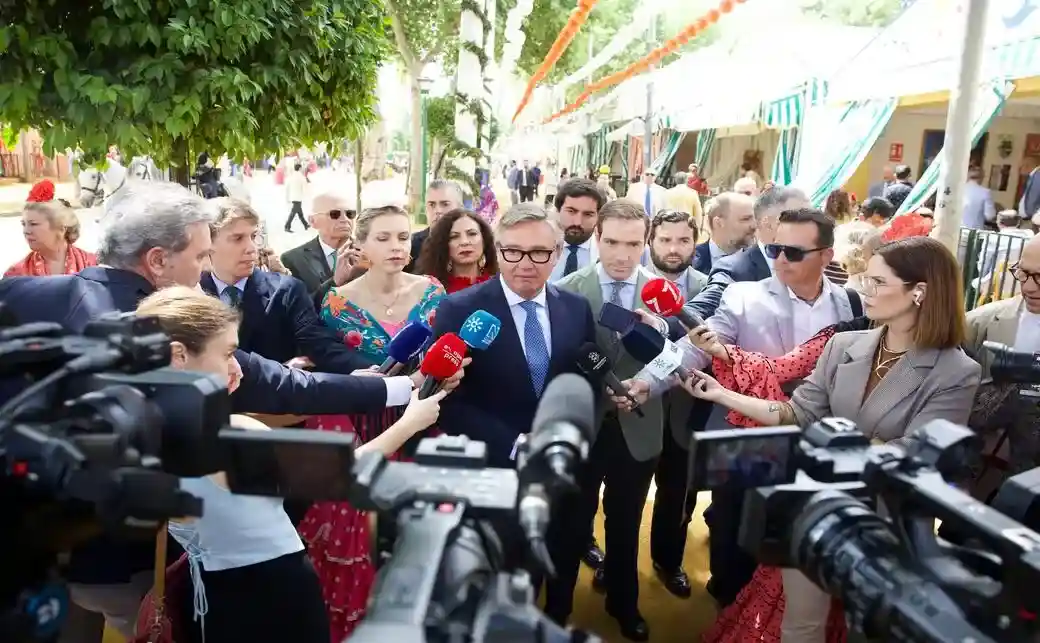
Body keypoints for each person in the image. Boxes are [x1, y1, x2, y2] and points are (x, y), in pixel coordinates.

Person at [682, 236, 981, 643]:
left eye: (878, 282)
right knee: (800, 626)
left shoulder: (956, 371)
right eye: (866, 280)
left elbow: (914, 456)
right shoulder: (843, 345)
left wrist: (822, 448)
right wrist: (721, 394)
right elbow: (797, 413)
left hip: (883, 526)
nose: (865, 291)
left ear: (919, 292)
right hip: (815, 512)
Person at [136, 287, 447, 643]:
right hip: (271, 597)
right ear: (179, 356)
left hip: (210, 594)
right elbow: (342, 473)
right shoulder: (221, 435)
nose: (237, 366)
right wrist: (409, 423)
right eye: (226, 353)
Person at [430, 203, 598, 626]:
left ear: (558, 253)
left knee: (560, 562)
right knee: (502, 583)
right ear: (496, 252)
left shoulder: (576, 309)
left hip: (563, 472)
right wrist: (515, 443)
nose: (526, 264)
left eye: (540, 253)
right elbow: (448, 401)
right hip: (495, 473)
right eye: (513, 252)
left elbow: (586, 384)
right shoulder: (459, 310)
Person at [299, 203, 447, 641]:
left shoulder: (433, 292)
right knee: (361, 534)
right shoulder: (334, 301)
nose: (396, 246)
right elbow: (325, 362)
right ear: (359, 245)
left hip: (424, 421)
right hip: (357, 426)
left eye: (403, 237)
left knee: (411, 535)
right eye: (383, 238)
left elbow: (451, 353)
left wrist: (438, 376)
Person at [200, 198, 369, 372]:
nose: (251, 248)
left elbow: (321, 346)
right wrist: (279, 369)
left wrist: (379, 374)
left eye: (253, 236)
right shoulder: (190, 292)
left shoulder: (285, 291)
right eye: (237, 238)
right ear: (208, 243)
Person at [281, 191, 359, 307]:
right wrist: (335, 282)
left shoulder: (369, 253)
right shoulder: (293, 260)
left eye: (350, 214)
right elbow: (299, 309)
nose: (345, 219)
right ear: (313, 221)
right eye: (335, 214)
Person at [415, 207, 498, 293]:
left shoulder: (501, 283)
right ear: (443, 244)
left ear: (484, 239)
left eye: (472, 234)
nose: (464, 242)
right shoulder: (431, 289)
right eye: (454, 237)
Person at [5, 200, 96, 277]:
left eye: (33, 224)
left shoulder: (92, 264)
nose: (26, 231)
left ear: (61, 228)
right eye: (23, 224)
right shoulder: (16, 274)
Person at [549, 178, 606, 282]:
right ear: (558, 210)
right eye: (571, 211)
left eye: (588, 214)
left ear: (599, 217)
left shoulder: (605, 256)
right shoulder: (538, 248)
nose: (577, 222)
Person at [406, 179, 464, 273]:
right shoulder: (411, 246)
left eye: (445, 204)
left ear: (460, 208)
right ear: (425, 209)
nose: (438, 210)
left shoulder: (472, 244)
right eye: (432, 205)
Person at [285, 163, 309, 232]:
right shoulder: (301, 177)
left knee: (299, 212)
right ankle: (287, 226)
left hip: (293, 196)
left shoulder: (291, 176)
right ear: (300, 168)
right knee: (293, 213)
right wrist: (306, 195)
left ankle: (305, 224)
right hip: (298, 197)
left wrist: (287, 197)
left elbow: (287, 187)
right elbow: (304, 188)